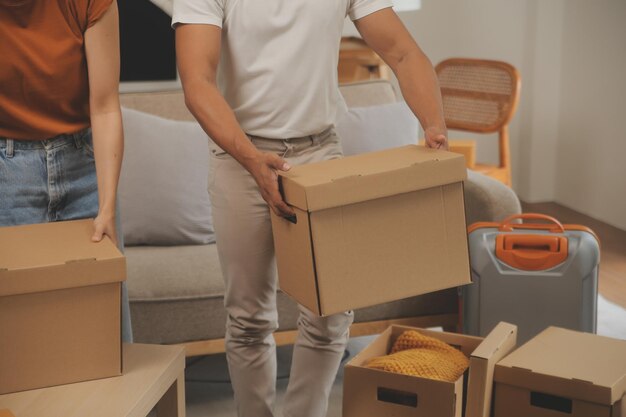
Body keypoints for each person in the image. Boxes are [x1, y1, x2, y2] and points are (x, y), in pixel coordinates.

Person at [173, 1, 448, 416]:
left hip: (319, 152)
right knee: (249, 319)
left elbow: (403, 53)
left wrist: (435, 127)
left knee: (331, 313)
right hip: (239, 157)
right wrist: (251, 160)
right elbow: (197, 83)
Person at [0, 0, 132, 342]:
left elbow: (104, 108)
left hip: (84, 165)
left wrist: (106, 207)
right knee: (22, 338)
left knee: (105, 333)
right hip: (7, 171)